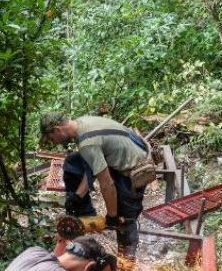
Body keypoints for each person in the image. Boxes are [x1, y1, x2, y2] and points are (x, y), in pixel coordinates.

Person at [40, 111, 150, 259]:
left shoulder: (87, 142)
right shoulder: (81, 123)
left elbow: (107, 184)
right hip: (118, 152)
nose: (54, 143)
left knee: (125, 216)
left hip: (134, 165)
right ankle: (84, 214)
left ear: (58, 129)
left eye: (51, 138)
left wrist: (112, 216)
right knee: (73, 162)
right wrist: (78, 195)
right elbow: (92, 161)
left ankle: (127, 260)